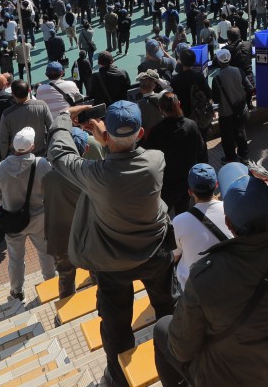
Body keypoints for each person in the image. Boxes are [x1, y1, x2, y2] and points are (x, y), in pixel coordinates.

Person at [46, 101, 177, 387]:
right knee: (169, 308)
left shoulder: (95, 175)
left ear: (106, 138)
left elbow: (58, 153)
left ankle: (118, 378)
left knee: (116, 327)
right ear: (141, 132)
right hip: (155, 253)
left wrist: (64, 117)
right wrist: (107, 139)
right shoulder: (156, 160)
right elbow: (126, 161)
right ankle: (180, 360)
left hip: (112, 262)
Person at [152, 162, 268, 387]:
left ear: (229, 224)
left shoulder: (205, 275)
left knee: (161, 328)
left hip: (231, 379)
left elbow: (182, 349)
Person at [0, 127, 55, 303]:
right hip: (39, 217)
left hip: (12, 221)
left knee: (15, 258)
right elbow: (50, 189)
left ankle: (17, 291)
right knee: (45, 252)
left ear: (12, 145)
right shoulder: (41, 164)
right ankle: (51, 283)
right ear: (32, 146)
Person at [43, 127, 93, 300]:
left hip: (60, 238)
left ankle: (64, 309)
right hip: (89, 236)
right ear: (85, 149)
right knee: (97, 271)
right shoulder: (91, 174)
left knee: (65, 276)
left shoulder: (49, 178)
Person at [143, 92, 209, 216]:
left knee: (163, 215)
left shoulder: (156, 131)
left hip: (165, 184)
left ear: (160, 109)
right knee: (183, 212)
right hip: (187, 182)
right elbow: (201, 151)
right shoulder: (192, 125)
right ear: (178, 104)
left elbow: (148, 157)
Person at [170, 163, 232, 290]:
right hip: (228, 278)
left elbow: (175, 256)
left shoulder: (178, 221)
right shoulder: (231, 209)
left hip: (195, 288)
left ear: (190, 192)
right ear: (216, 185)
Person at [209, 48, 251, 164]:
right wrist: (245, 102)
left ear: (218, 61)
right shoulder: (238, 70)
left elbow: (216, 99)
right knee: (241, 131)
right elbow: (249, 87)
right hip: (240, 109)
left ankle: (230, 157)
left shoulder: (216, 78)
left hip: (226, 112)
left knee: (227, 137)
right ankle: (244, 154)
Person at [0, 80, 54, 158]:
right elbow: (51, 127)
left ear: (12, 94)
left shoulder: (7, 114)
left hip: (17, 156)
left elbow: (3, 140)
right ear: (29, 90)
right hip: (40, 153)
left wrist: (4, 157)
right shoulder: (42, 105)